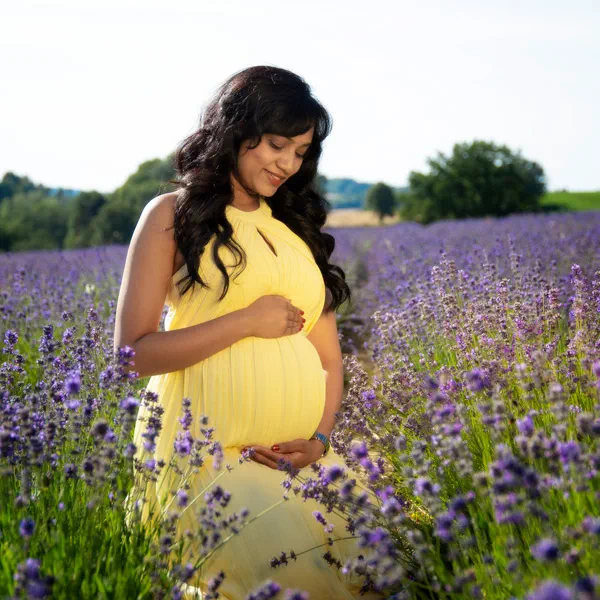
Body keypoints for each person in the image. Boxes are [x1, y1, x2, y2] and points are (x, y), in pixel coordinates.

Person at [114, 66, 384, 599]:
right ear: (236, 132)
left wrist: (319, 440)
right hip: (211, 464)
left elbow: (329, 358)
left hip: (303, 463)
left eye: (301, 151)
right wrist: (247, 321)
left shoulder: (294, 231)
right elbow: (132, 355)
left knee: (381, 569)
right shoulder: (172, 214)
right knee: (290, 578)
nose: (288, 163)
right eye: (277, 144)